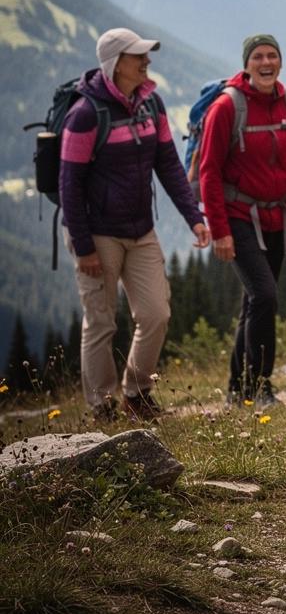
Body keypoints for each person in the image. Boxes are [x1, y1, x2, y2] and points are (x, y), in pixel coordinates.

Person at [60, 28, 211, 422]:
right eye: (138, 55)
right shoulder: (85, 114)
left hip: (141, 230)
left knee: (156, 313)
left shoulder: (151, 104)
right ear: (115, 62)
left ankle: (136, 393)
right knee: (101, 321)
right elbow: (69, 185)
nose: (147, 61)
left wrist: (194, 217)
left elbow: (169, 165)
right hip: (97, 234)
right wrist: (84, 246)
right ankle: (101, 407)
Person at [198, 34, 286, 408]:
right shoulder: (226, 107)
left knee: (255, 301)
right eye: (258, 57)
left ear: (280, 61)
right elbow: (209, 172)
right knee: (265, 296)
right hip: (238, 216)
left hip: (277, 217)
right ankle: (259, 386)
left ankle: (236, 390)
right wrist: (220, 230)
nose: (266, 62)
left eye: (272, 56)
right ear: (246, 64)